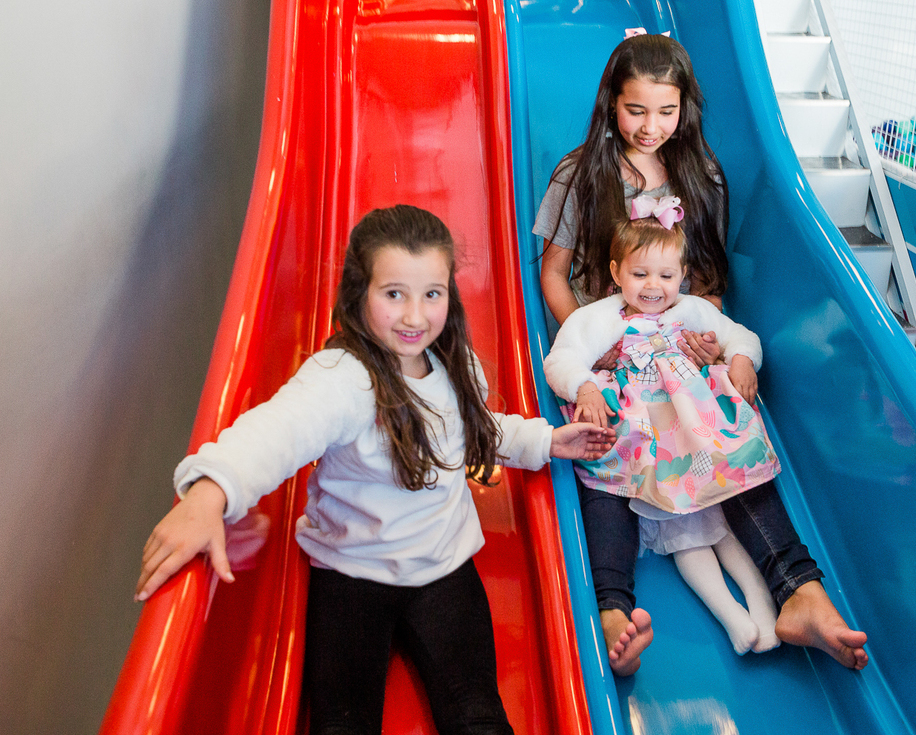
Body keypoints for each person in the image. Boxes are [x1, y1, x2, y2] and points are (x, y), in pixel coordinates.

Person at [134, 205, 615, 735]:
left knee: (478, 714)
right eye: (394, 294)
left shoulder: (453, 362)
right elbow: (276, 431)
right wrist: (209, 493)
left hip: (444, 566)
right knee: (342, 722)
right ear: (360, 292)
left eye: (432, 294)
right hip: (352, 573)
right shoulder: (342, 379)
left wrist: (545, 440)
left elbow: (472, 428)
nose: (415, 316)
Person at [532, 33, 868, 674]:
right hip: (610, 354)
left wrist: (709, 341)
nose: (650, 126)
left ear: (685, 107)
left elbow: (706, 281)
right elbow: (554, 271)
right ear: (610, 103)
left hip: (678, 351)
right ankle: (612, 609)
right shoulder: (581, 175)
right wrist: (593, 341)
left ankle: (799, 591)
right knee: (606, 458)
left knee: (722, 438)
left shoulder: (700, 176)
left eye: (667, 111)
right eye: (636, 110)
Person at [543, 210, 782, 656]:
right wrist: (585, 386)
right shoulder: (600, 317)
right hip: (651, 439)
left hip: (700, 429)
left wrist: (742, 359)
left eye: (666, 275)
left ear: (683, 275)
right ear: (616, 273)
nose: (653, 286)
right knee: (681, 529)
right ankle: (733, 617)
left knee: (720, 516)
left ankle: (761, 604)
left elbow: (740, 336)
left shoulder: (692, 309)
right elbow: (561, 358)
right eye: (640, 274)